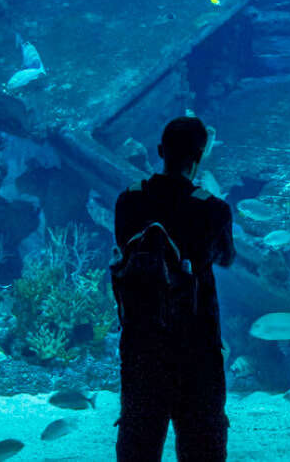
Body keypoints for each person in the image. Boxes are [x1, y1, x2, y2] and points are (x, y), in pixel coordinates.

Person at [114, 116, 235, 462]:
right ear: (200, 156)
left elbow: (123, 248)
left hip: (142, 343)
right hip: (197, 347)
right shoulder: (213, 209)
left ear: (159, 151)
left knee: (138, 444)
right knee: (202, 446)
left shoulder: (128, 200)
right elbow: (225, 257)